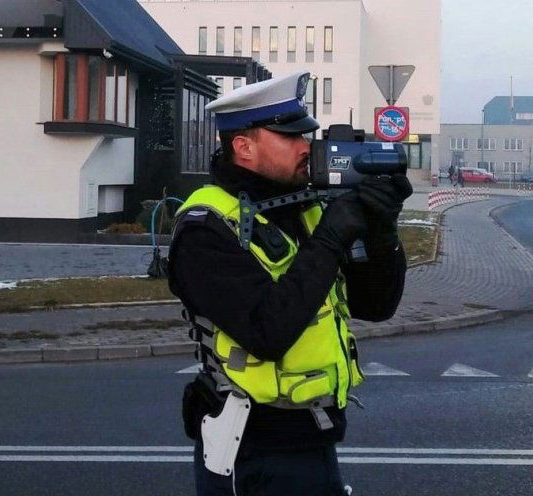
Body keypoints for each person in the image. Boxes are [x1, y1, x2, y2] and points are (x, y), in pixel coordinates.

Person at [167, 71, 412, 495]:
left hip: (313, 435)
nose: (307, 148)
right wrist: (331, 239)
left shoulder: (305, 208)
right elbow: (266, 331)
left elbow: (375, 306)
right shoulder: (206, 228)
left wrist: (383, 232)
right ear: (243, 146)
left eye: (308, 135)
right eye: (291, 138)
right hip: (251, 449)